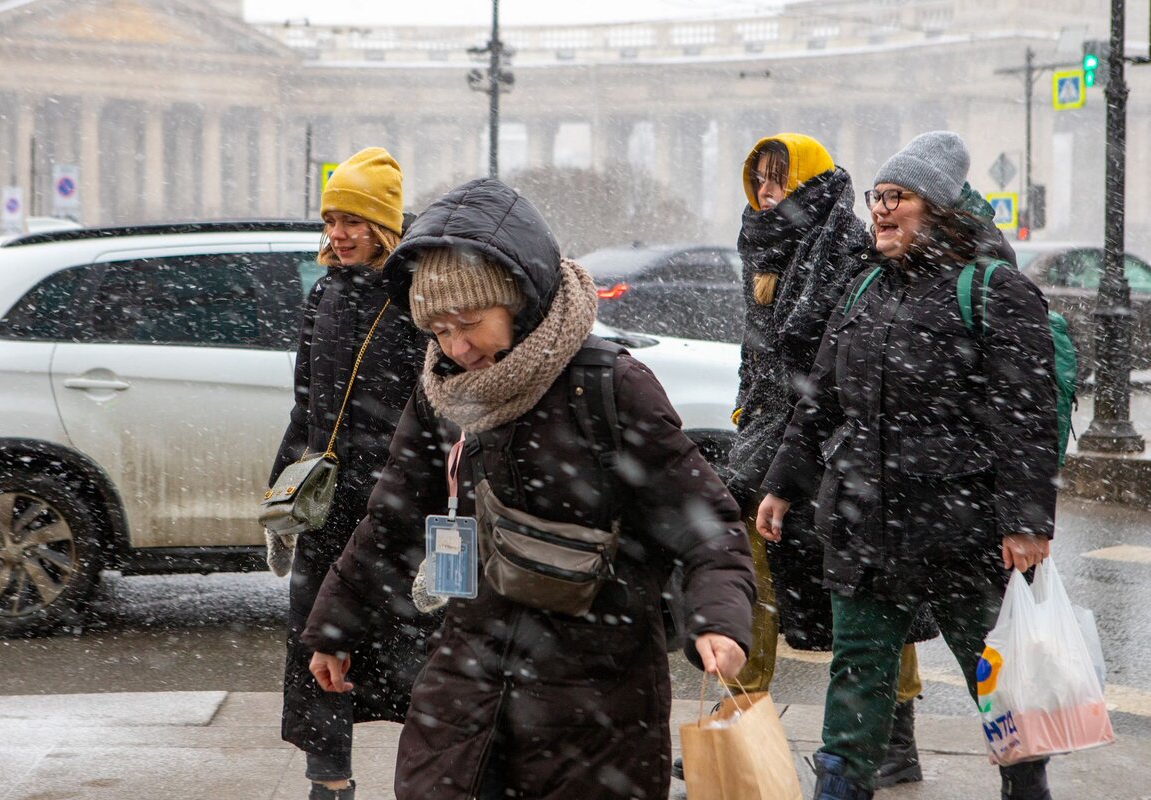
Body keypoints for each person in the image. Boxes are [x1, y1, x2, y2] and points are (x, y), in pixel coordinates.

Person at [302, 177, 758, 800]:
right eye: (437, 331)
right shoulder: (442, 391)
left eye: (469, 324)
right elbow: (393, 517)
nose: (456, 349)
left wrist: (719, 621)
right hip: (465, 681)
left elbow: (706, 522)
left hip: (596, 696)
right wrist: (335, 625)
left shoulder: (609, 385)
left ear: (519, 300)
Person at [756, 131, 1059, 800]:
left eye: (898, 197)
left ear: (940, 208)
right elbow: (821, 398)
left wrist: (1027, 521)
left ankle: (1025, 784)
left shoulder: (993, 288)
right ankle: (840, 787)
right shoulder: (865, 284)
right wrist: (783, 483)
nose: (881, 209)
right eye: (878, 196)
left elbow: (1026, 417)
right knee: (858, 669)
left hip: (961, 526)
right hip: (865, 520)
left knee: (992, 669)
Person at [721, 133, 933, 790]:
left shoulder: (844, 249)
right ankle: (740, 723)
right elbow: (761, 359)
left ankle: (895, 735)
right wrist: (750, 416)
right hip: (772, 437)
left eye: (778, 181)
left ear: (809, 184)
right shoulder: (766, 248)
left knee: (871, 590)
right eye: (758, 181)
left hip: (834, 444)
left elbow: (839, 360)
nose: (766, 193)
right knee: (751, 576)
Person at [266, 147, 431, 800]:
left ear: (383, 224)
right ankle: (328, 783)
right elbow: (307, 408)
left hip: (398, 509)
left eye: (352, 221)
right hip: (331, 507)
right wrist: (282, 496)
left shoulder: (415, 298)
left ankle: (432, 778)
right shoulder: (326, 291)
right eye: (331, 220)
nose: (338, 234)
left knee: (417, 653)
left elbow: (437, 410)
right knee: (319, 646)